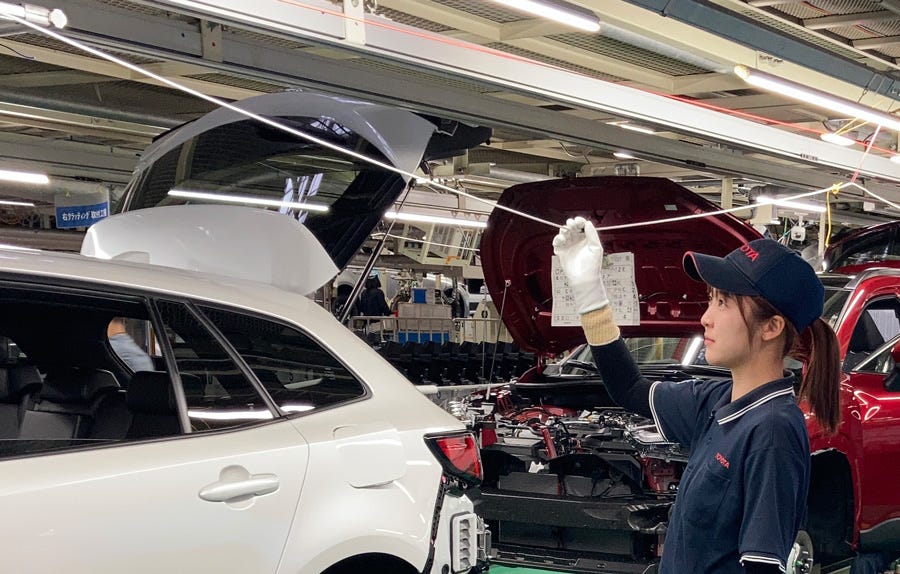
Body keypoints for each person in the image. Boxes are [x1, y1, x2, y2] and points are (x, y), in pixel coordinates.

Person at [553, 217, 841, 574]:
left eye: (723, 303)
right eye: (711, 300)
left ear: (772, 327)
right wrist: (589, 293)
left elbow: (761, 567)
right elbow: (629, 389)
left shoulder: (772, 432)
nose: (706, 317)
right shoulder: (719, 400)